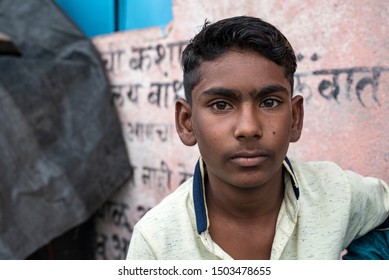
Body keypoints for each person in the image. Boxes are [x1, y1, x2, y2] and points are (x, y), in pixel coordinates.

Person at [126, 16, 389, 259]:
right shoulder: (156, 242)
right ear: (186, 123)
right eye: (221, 105)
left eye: (270, 102)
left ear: (295, 117)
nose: (249, 128)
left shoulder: (338, 193)